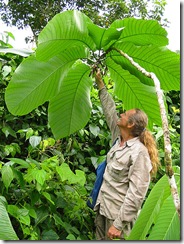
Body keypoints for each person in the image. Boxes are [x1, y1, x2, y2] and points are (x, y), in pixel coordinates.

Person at [93, 69, 160, 240]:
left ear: (130, 124)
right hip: (103, 207)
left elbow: (137, 193)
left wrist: (118, 224)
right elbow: (110, 111)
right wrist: (100, 83)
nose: (121, 114)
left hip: (118, 219)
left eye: (125, 114)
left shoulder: (139, 153)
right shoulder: (118, 138)